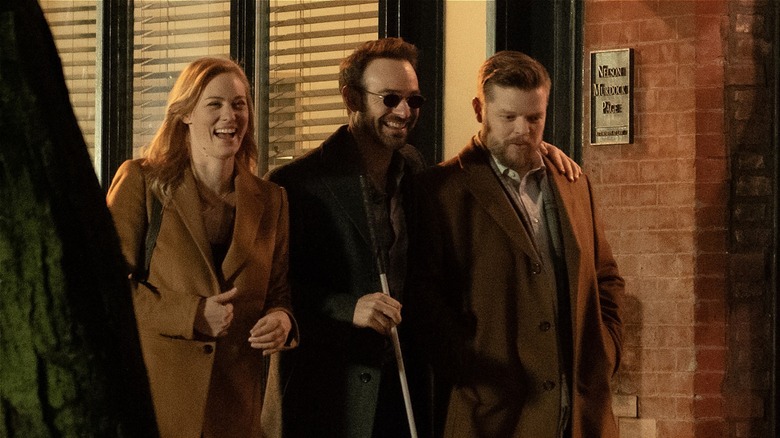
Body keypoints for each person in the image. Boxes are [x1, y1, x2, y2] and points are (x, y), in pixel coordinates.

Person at [262, 39, 580, 438]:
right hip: (328, 396)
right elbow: (272, 290)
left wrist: (535, 149)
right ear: (352, 98)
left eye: (413, 100)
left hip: (404, 392)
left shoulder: (413, 169)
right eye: (390, 98)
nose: (404, 112)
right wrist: (348, 308)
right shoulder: (295, 183)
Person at [405, 50, 625, 438]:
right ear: (480, 110)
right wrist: (469, 370)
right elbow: (423, 300)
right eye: (509, 118)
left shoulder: (574, 184)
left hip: (580, 415)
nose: (523, 130)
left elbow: (606, 278)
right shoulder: (440, 190)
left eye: (534, 118)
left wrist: (607, 350)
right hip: (492, 415)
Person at [106, 57, 298, 438]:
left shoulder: (272, 199)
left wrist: (283, 320)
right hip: (156, 407)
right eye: (215, 104)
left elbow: (279, 291)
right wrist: (190, 314)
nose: (230, 115)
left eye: (239, 104)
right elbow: (106, 289)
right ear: (185, 114)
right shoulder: (141, 182)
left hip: (236, 415)